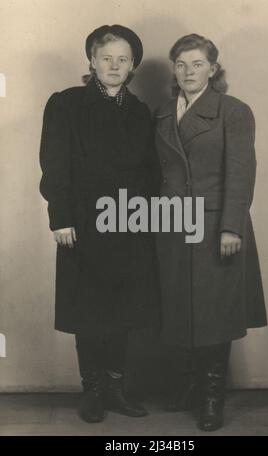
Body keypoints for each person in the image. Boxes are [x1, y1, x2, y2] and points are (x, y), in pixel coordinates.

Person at [39, 24, 160, 423]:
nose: (114, 64)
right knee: (88, 309)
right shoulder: (66, 103)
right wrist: (61, 217)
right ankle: (92, 390)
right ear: (91, 60)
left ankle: (115, 386)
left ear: (132, 66)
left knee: (123, 309)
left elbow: (151, 172)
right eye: (106, 57)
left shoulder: (140, 111)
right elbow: (54, 164)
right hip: (82, 226)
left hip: (128, 225)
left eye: (123, 58)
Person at [155, 34, 267, 431]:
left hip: (216, 224)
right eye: (181, 64)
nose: (188, 72)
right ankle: (190, 383)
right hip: (171, 225)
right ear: (174, 69)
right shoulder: (164, 112)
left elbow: (241, 173)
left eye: (197, 64)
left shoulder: (233, 111)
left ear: (213, 69)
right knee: (181, 308)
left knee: (214, 313)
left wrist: (231, 227)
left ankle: (212, 395)